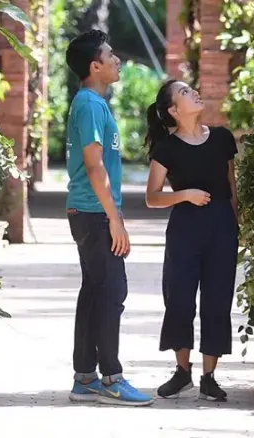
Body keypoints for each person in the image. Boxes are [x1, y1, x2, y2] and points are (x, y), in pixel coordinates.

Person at [64, 29, 154, 405]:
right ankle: (111, 378)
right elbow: (94, 165)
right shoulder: (88, 104)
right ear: (94, 66)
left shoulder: (95, 104)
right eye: (110, 55)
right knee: (112, 292)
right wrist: (114, 218)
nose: (118, 60)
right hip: (93, 212)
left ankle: (85, 377)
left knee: (96, 292)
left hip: (90, 211)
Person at [144, 78, 239, 402]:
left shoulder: (223, 139)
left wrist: (235, 223)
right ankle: (182, 372)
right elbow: (152, 197)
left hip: (222, 226)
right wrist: (185, 194)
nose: (195, 92)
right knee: (180, 298)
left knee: (217, 300)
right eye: (185, 92)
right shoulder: (166, 148)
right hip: (185, 228)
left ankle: (209, 376)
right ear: (174, 110)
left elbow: (231, 186)